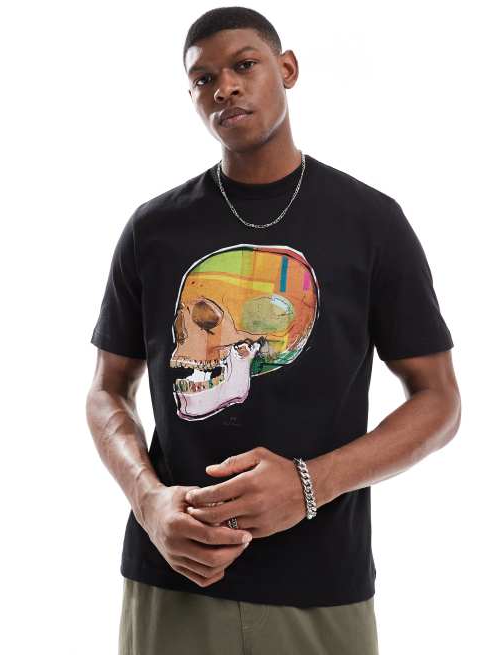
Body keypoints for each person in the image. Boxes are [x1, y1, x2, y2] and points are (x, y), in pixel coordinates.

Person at [85, 7, 461, 654]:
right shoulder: (152, 229)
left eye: (243, 65)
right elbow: (106, 390)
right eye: (203, 79)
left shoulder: (370, 223)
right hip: (173, 580)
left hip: (321, 585)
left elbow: (440, 400)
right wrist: (148, 502)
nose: (223, 88)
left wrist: (310, 484)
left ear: (286, 69)